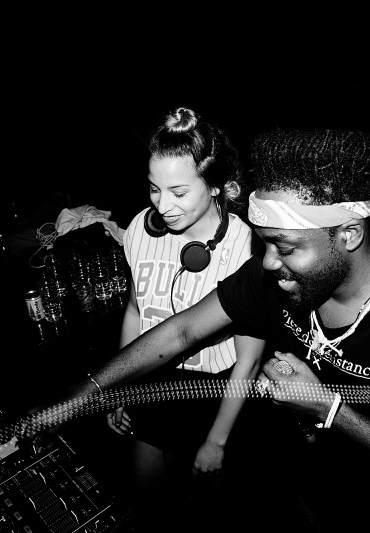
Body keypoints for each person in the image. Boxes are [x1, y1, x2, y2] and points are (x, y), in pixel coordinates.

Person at [28, 126, 370, 531]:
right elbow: (182, 332)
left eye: (285, 247)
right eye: (264, 244)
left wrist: (328, 408)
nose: (269, 262)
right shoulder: (272, 277)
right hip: (296, 490)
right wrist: (77, 397)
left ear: (349, 234)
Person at [105, 107, 265, 528]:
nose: (163, 205)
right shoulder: (140, 229)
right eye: (154, 189)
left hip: (216, 396)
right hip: (153, 386)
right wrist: (120, 386)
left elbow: (249, 360)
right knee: (148, 505)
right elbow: (136, 310)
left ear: (214, 186)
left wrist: (217, 441)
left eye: (178, 191)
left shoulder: (245, 246)